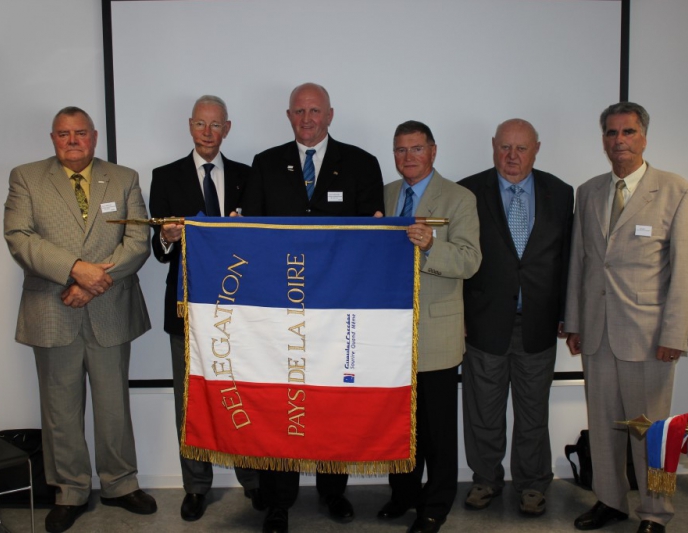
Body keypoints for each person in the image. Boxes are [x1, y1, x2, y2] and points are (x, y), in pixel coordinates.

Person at [4, 107, 156, 533]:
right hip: (52, 310)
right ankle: (69, 491)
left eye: (81, 133)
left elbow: (138, 240)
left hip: (109, 309)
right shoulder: (26, 177)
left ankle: (121, 484)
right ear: (52, 138)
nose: (73, 141)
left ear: (94, 136)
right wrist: (75, 268)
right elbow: (19, 238)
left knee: (114, 407)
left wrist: (91, 281)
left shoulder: (124, 178)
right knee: (60, 410)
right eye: (63, 134)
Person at [241, 82, 384, 533]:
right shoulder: (264, 164)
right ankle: (279, 499)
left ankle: (333, 491)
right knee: (281, 404)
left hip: (339, 310)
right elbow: (253, 238)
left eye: (315, 111)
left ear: (330, 115)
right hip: (281, 311)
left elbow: (372, 240)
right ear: (288, 116)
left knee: (333, 402)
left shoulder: (362, 163)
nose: (307, 119)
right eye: (299, 111)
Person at [564, 102, 688, 533]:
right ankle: (610, 500)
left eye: (628, 132)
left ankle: (657, 511)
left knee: (652, 433)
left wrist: (675, 332)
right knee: (604, 428)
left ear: (644, 137)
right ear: (603, 139)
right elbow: (581, 262)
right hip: (598, 332)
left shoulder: (675, 189)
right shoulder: (588, 191)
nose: (619, 141)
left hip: (649, 336)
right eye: (611, 133)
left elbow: (687, 268)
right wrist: (574, 321)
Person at [148, 95, 262, 522]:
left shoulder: (249, 177)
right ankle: (196, 486)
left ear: (227, 128)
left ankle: (253, 481)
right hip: (185, 308)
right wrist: (169, 238)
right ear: (190, 126)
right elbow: (158, 251)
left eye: (216, 125)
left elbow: (259, 243)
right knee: (190, 400)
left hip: (239, 310)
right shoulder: (165, 177)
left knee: (243, 396)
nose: (208, 132)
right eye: (201, 124)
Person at [458, 119, 573, 516]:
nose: (512, 156)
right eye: (505, 147)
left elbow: (568, 261)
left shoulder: (560, 193)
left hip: (538, 324)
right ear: (493, 146)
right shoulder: (469, 191)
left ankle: (532, 484)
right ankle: (485, 480)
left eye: (521, 149)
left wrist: (567, 315)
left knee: (532, 413)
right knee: (483, 412)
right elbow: (459, 258)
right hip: (484, 322)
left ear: (536, 149)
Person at [378, 120, 481, 533]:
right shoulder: (385, 194)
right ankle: (403, 495)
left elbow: (471, 261)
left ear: (433, 151)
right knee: (398, 424)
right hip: (389, 332)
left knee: (436, 430)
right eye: (400, 150)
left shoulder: (458, 198)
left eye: (416, 149)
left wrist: (431, 245)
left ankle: (436, 504)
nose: (408, 158)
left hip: (436, 333)